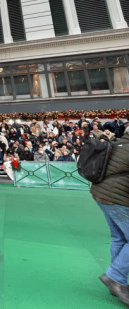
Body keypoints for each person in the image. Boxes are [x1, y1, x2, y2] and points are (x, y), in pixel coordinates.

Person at [91, 127, 129, 306]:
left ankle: (116, 282)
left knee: (119, 237)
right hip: (117, 197)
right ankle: (115, 277)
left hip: (100, 194)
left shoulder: (117, 144)